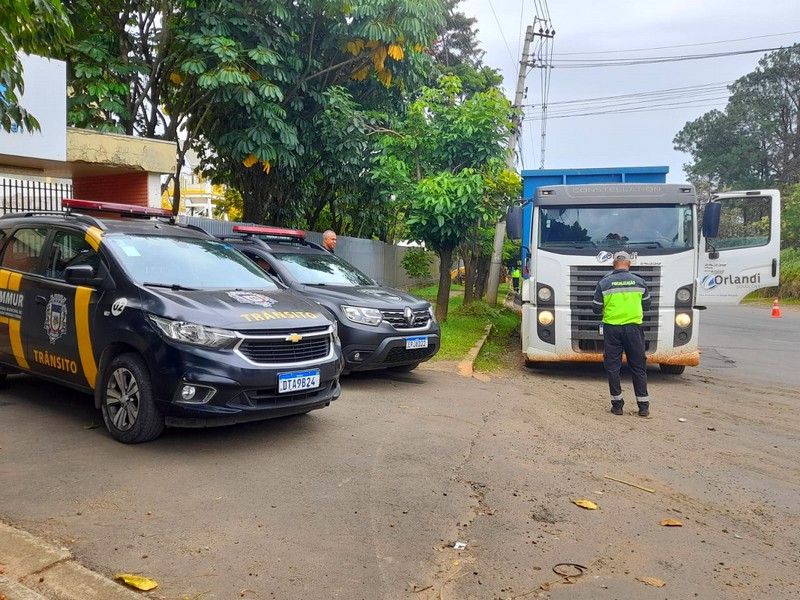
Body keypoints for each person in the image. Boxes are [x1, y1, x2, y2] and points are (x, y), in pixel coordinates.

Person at [592, 251, 652, 417]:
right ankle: (643, 407)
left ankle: (617, 406)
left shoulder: (604, 283)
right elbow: (647, 306)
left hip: (612, 329)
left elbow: (596, 308)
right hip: (634, 329)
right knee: (639, 367)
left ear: (613, 265)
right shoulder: (640, 282)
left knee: (613, 367)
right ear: (629, 264)